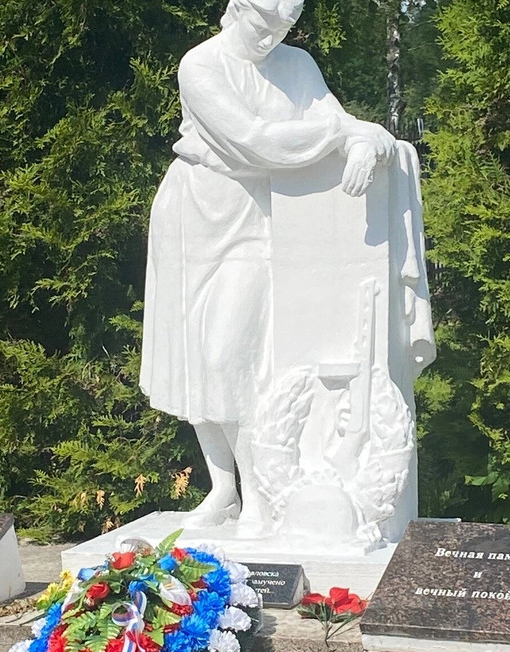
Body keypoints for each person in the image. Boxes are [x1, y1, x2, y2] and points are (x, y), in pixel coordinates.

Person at [140, 0, 399, 532]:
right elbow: (254, 141)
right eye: (264, 23)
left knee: (228, 353)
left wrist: (365, 138)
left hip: (263, 218)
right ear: (238, 8)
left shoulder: (298, 66)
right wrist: (338, 135)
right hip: (195, 211)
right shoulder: (202, 65)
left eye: (284, 27)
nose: (272, 37)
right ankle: (224, 490)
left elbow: (340, 120)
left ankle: (262, 497)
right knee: (194, 357)